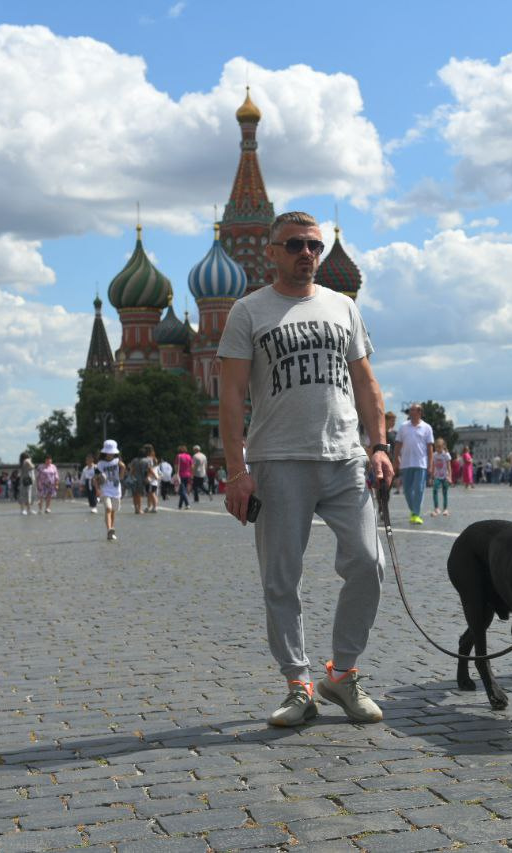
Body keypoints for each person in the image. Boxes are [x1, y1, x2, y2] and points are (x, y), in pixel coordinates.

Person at [217, 209, 393, 727]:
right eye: (294, 245)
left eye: (313, 246)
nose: (307, 254)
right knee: (282, 578)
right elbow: (229, 396)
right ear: (271, 253)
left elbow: (366, 383)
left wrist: (378, 445)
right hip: (278, 460)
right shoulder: (248, 311)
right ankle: (299, 684)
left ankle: (342, 672)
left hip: (345, 458)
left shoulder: (342, 307)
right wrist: (236, 470)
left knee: (368, 563)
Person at [395, 403, 434, 525]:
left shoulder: (427, 427)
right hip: (406, 463)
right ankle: (414, 510)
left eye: (413, 410)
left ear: (419, 412)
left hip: (420, 463)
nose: (410, 412)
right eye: (410, 410)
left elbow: (430, 448)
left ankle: (416, 514)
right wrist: (395, 458)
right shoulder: (403, 427)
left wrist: (430, 464)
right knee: (407, 490)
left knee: (419, 488)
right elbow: (398, 444)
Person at [95, 439, 126, 540]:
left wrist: (123, 468)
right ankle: (109, 529)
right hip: (105, 489)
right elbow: (95, 478)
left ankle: (112, 529)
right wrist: (98, 489)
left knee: (113, 510)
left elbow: (121, 476)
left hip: (116, 489)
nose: (110, 454)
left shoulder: (117, 461)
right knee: (108, 508)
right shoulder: (100, 464)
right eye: (108, 452)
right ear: (104, 452)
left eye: (112, 453)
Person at [430, 437, 452, 517]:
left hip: (445, 476)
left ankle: (445, 509)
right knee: (435, 491)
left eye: (439, 447)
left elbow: (449, 467)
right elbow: (433, 466)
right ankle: (436, 508)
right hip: (437, 476)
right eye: (436, 447)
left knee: (445, 493)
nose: (438, 448)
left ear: (443, 447)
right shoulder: (434, 455)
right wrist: (431, 477)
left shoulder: (446, 455)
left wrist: (450, 477)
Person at [129, 446, 154, 514]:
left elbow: (132, 470)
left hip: (134, 479)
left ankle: (136, 509)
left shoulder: (134, 460)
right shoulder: (147, 460)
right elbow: (149, 469)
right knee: (139, 494)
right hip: (142, 479)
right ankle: (139, 509)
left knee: (134, 494)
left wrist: (131, 476)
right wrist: (151, 476)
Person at [174, 445, 192, 509]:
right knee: (182, 489)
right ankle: (180, 505)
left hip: (180, 475)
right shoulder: (189, 456)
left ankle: (187, 504)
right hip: (188, 474)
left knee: (182, 490)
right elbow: (191, 466)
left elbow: (176, 466)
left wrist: (176, 474)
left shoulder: (178, 456)